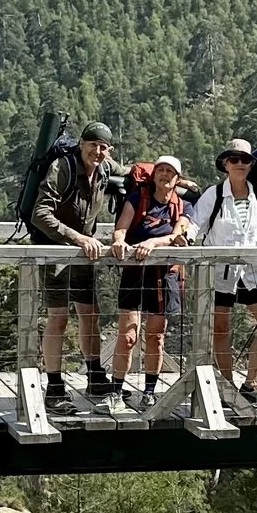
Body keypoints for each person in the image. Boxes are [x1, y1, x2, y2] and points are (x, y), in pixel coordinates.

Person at [182, 138, 257, 403]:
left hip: (251, 271)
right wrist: (186, 236)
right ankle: (226, 387)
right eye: (234, 159)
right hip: (219, 272)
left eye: (245, 159)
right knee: (221, 328)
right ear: (225, 164)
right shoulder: (215, 194)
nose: (240, 164)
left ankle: (250, 382)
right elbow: (196, 222)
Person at [27, 120, 121, 404]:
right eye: (92, 145)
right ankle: (54, 386)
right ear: (81, 144)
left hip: (83, 253)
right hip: (55, 251)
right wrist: (78, 238)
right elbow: (39, 214)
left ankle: (95, 378)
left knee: (90, 313)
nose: (98, 151)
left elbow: (134, 174)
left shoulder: (105, 167)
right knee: (58, 318)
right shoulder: (62, 169)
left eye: (103, 147)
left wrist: (177, 182)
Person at [108, 154, 191, 407]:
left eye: (170, 172)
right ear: (154, 175)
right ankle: (116, 390)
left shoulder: (183, 207)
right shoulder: (138, 198)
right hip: (135, 271)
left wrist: (152, 243)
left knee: (156, 335)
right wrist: (119, 241)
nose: (165, 175)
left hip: (164, 276)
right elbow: (121, 227)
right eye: (161, 171)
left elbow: (178, 234)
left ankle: (149, 391)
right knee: (128, 335)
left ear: (178, 179)